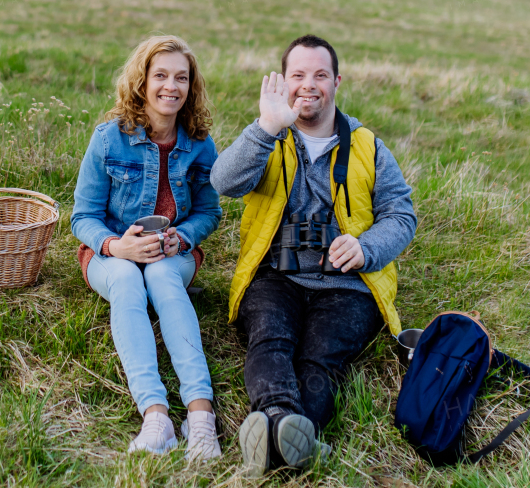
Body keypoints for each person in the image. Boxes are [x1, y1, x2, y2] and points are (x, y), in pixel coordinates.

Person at [211, 34, 416, 475]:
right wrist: (267, 127)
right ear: (283, 83)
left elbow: (401, 215)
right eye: (298, 75)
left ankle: (272, 438)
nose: (309, 84)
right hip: (275, 276)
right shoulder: (269, 135)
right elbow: (224, 182)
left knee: (320, 357)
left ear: (337, 81)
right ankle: (288, 426)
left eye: (320, 74)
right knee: (271, 338)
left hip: (346, 284)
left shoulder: (367, 146)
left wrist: (366, 248)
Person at [71, 35, 223, 460]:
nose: (170, 87)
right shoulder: (108, 139)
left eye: (181, 78)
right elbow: (81, 217)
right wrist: (115, 247)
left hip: (172, 256)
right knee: (125, 277)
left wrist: (184, 236)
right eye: (160, 76)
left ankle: (201, 418)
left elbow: (210, 212)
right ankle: (156, 416)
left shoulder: (199, 144)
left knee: (158, 273)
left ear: (191, 86)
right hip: (112, 255)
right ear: (141, 81)